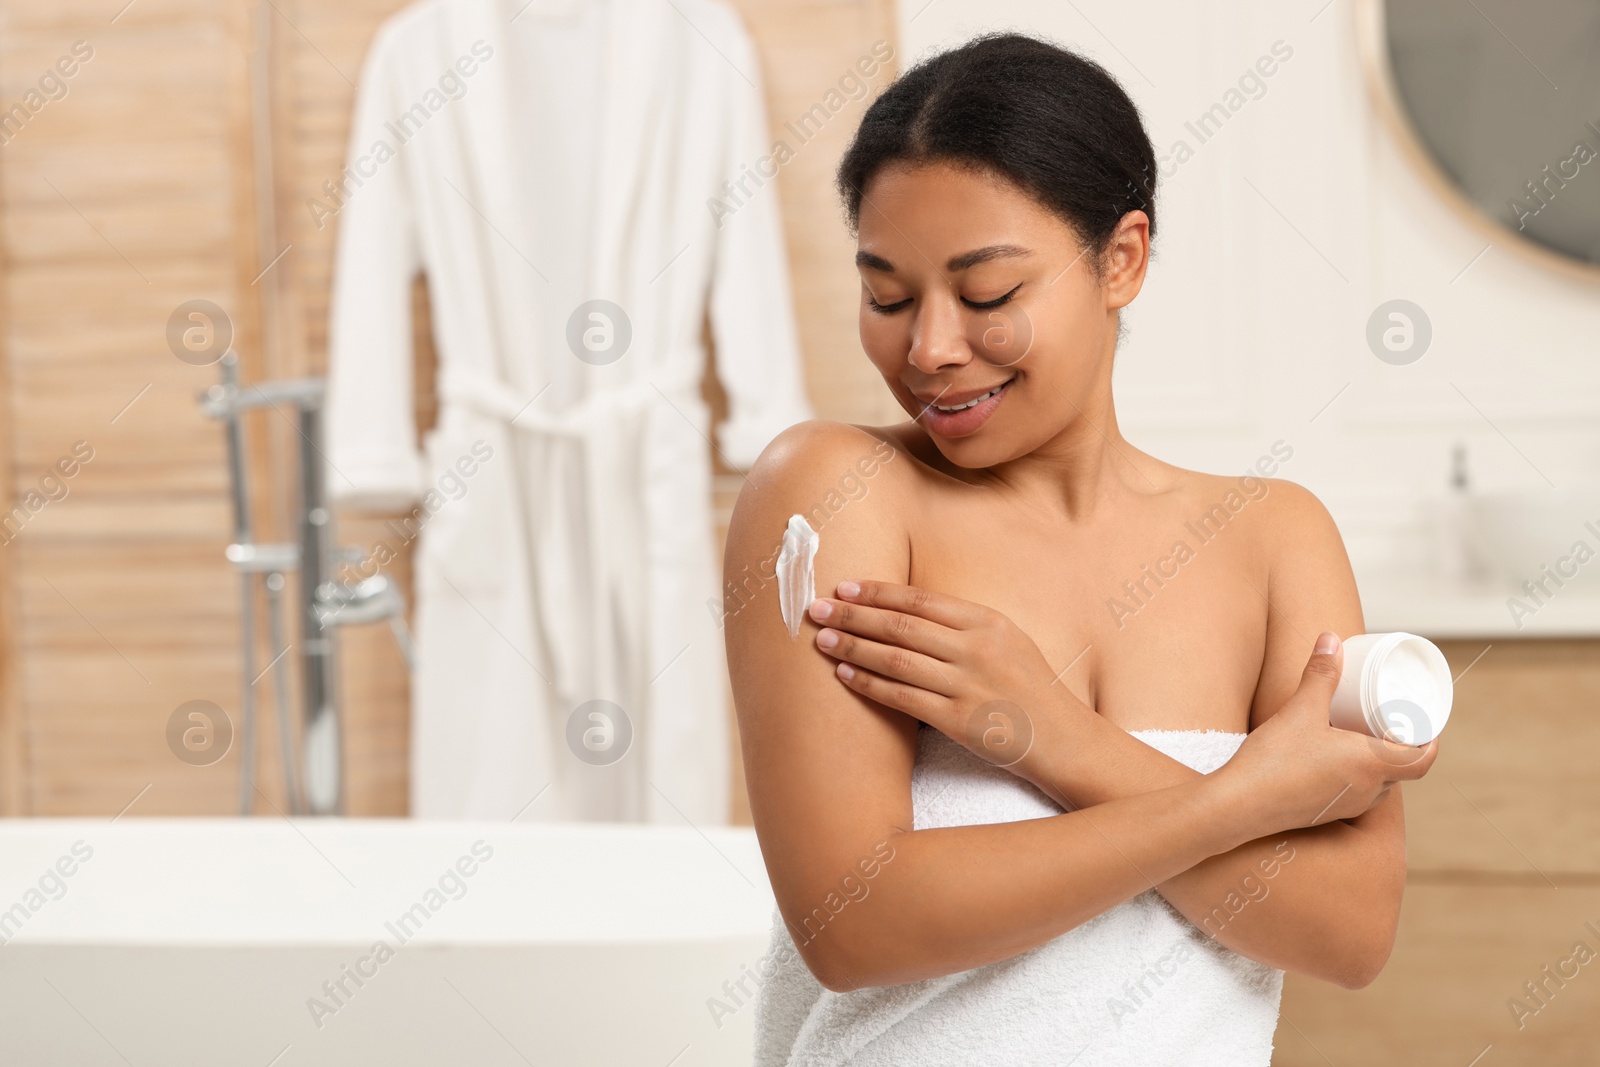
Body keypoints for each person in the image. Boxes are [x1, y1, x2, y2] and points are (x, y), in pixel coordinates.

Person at [722, 32, 1438, 1066]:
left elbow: (1348, 931)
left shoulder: (1275, 538)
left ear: (1121, 259)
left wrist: (1049, 732)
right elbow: (853, 922)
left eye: (986, 295)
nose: (927, 348)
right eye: (886, 295)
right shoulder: (836, 491)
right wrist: (1246, 797)